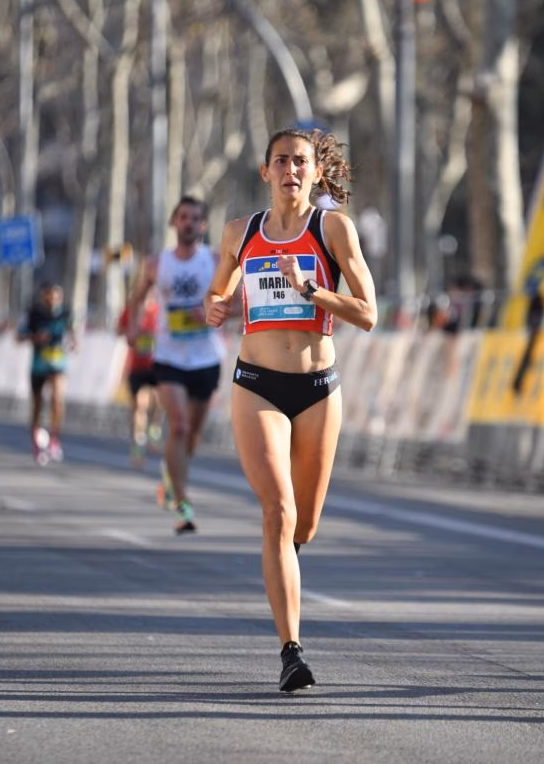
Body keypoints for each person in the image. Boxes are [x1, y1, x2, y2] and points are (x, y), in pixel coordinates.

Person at [204, 128, 377, 692]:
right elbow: (220, 293)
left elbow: (368, 312)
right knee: (277, 513)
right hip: (256, 385)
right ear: (265, 171)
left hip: (318, 389)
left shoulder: (332, 229)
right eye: (281, 161)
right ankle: (291, 652)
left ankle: (288, 559)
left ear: (316, 173)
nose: (291, 171)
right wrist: (216, 305)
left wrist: (315, 292)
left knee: (304, 523)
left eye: (300, 162)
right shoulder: (240, 232)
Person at [128, 196, 225, 533]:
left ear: (203, 225)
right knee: (179, 426)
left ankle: (172, 476)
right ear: (174, 222)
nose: (188, 223)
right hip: (169, 357)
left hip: (207, 357)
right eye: (183, 216)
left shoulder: (214, 260)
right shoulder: (157, 264)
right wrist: (133, 325)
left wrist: (214, 310)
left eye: (195, 218)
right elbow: (137, 299)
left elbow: (238, 302)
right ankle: (182, 504)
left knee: (194, 434)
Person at [18, 282, 75, 465]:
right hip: (38, 366)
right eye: (48, 295)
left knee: (57, 400)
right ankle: (36, 441)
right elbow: (19, 337)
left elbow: (73, 335)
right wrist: (36, 337)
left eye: (56, 296)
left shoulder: (66, 314)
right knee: (37, 404)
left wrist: (73, 342)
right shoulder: (34, 314)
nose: (52, 299)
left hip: (58, 364)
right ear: (43, 296)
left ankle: (54, 438)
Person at [117, 291, 160, 469]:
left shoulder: (160, 309)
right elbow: (119, 330)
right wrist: (131, 332)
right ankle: (138, 443)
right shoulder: (131, 310)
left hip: (158, 365)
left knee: (159, 403)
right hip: (136, 366)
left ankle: (154, 428)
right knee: (139, 407)